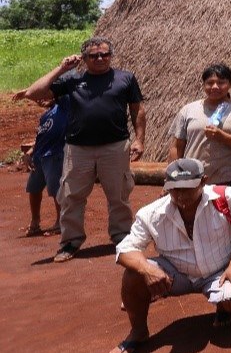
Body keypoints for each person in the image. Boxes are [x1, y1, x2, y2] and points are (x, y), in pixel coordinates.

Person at [109, 158, 231, 353]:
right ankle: (138, 331)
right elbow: (125, 250)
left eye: (187, 188)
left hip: (219, 271)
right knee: (133, 274)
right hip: (175, 273)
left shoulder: (229, 197)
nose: (180, 195)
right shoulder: (151, 213)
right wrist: (147, 270)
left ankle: (224, 308)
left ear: (203, 181)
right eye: (174, 189)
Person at [23, 37, 145, 263]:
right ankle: (71, 241)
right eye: (93, 55)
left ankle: (121, 236)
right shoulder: (72, 79)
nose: (100, 58)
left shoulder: (125, 78)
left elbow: (137, 110)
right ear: (84, 58)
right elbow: (33, 93)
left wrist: (139, 139)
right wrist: (61, 68)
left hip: (115, 146)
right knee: (71, 196)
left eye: (105, 54)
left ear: (111, 55)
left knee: (119, 194)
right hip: (78, 149)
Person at [169, 64, 231, 188]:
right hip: (193, 176)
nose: (215, 87)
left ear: (230, 84)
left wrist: (222, 137)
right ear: (203, 84)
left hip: (228, 178)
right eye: (210, 83)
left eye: (221, 82)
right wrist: (172, 177)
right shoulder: (188, 110)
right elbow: (177, 146)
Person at [15, 92, 66, 237]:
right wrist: (29, 153)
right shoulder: (45, 116)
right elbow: (40, 139)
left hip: (55, 154)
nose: (41, 100)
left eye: (45, 96)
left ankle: (60, 222)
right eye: (39, 99)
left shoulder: (63, 108)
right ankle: (35, 222)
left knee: (56, 190)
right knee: (33, 189)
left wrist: (27, 93)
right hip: (39, 156)